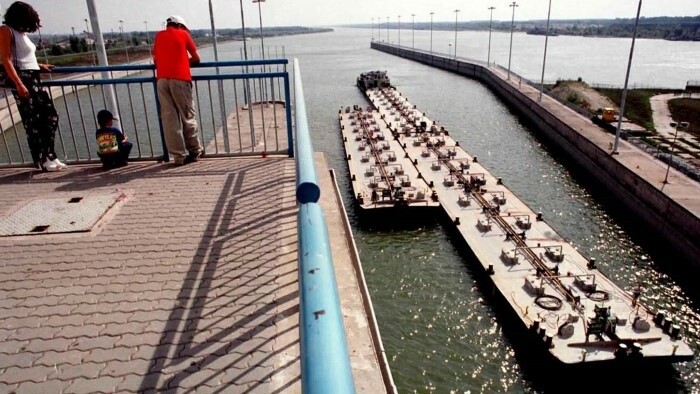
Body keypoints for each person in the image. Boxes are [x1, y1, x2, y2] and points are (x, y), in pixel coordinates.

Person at [0, 1, 64, 171]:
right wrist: (19, 84)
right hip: (23, 79)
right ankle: (42, 160)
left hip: (33, 77)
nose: (30, 25)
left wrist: (39, 65)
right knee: (33, 122)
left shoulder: (21, 33)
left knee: (50, 117)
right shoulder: (6, 31)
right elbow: (6, 59)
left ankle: (50, 155)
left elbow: (24, 56)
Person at [153, 15, 203, 166]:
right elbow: (196, 58)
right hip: (180, 80)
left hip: (162, 81)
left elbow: (155, 59)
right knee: (187, 115)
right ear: (180, 25)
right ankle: (195, 150)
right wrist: (182, 61)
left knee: (170, 119)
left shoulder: (158, 36)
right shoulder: (183, 34)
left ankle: (178, 157)